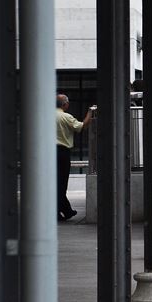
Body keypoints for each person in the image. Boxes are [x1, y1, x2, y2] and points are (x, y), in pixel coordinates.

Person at [56, 93, 93, 221]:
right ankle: (64, 211)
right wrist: (90, 112)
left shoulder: (45, 115)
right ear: (65, 104)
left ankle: (65, 211)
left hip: (48, 153)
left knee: (54, 183)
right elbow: (81, 126)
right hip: (62, 152)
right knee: (61, 183)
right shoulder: (66, 117)